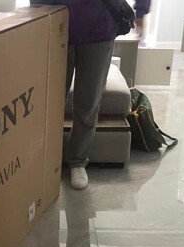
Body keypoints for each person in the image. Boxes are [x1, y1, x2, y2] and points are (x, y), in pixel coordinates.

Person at [32, 0, 151, 190]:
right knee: (49, 104)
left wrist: (141, 11)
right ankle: (45, 160)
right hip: (55, 26)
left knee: (88, 101)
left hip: (99, 29)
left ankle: (77, 161)